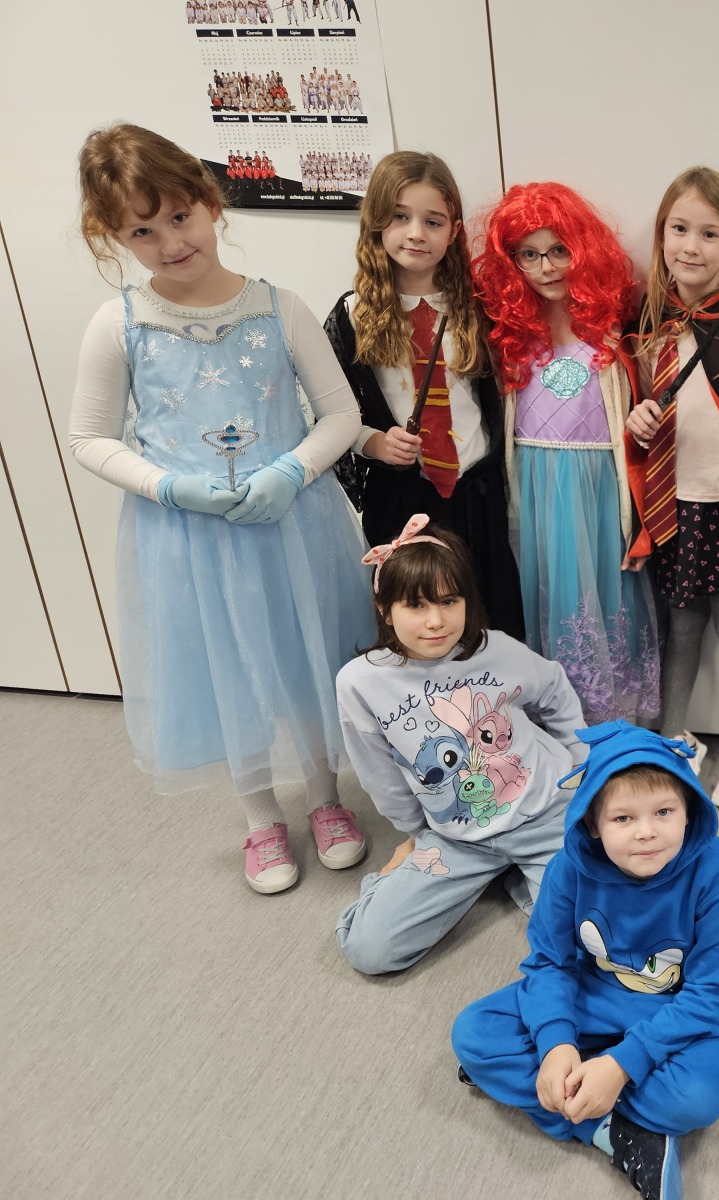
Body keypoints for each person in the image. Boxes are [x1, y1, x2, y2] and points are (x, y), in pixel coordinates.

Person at [69, 123, 373, 895]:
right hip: (187, 538)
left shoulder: (280, 308)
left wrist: (291, 470)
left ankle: (326, 797)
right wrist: (170, 486)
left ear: (210, 201)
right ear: (114, 236)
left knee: (307, 656)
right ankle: (259, 816)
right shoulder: (119, 324)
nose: (171, 242)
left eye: (180, 217)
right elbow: (89, 437)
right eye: (142, 231)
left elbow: (341, 415)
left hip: (295, 524)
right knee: (225, 669)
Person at [453, 722, 719, 1200]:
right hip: (595, 993)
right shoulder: (567, 870)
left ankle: (574, 1087)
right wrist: (555, 1045)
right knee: (474, 1033)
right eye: (623, 818)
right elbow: (549, 964)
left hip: (678, 1009)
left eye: (664, 812)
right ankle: (613, 1128)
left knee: (699, 1098)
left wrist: (621, 1065)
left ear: (689, 811)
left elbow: (714, 996)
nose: (646, 832)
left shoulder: (718, 874)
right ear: (593, 824)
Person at [333, 515, 583, 974]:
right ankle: (508, 874)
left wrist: (581, 763)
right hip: (456, 839)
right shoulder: (360, 683)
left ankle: (523, 875)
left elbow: (553, 688)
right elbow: (379, 774)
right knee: (369, 952)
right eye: (415, 605)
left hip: (547, 815)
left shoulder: (496, 648)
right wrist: (415, 834)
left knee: (590, 941)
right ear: (385, 609)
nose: (436, 621)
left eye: (449, 600)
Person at [623, 167, 719, 807]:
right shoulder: (643, 313)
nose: (691, 246)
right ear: (661, 235)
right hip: (671, 498)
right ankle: (672, 737)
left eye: (709, 234)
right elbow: (629, 398)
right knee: (681, 627)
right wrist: (636, 418)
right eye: (679, 229)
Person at [476, 182, 659, 724]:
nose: (547, 266)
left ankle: (610, 714)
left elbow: (642, 399)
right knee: (545, 590)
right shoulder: (507, 334)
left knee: (605, 592)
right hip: (536, 483)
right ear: (511, 264)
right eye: (529, 255)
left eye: (559, 250)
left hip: (599, 483)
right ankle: (553, 714)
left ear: (583, 249)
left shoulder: (614, 328)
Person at [323, 150, 523, 638]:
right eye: (400, 217)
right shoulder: (352, 315)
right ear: (375, 222)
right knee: (415, 623)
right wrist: (373, 441)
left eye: (432, 221)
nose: (416, 233)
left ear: (453, 231)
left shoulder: (479, 307)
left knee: (483, 616)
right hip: (401, 497)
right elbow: (331, 411)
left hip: (475, 495)